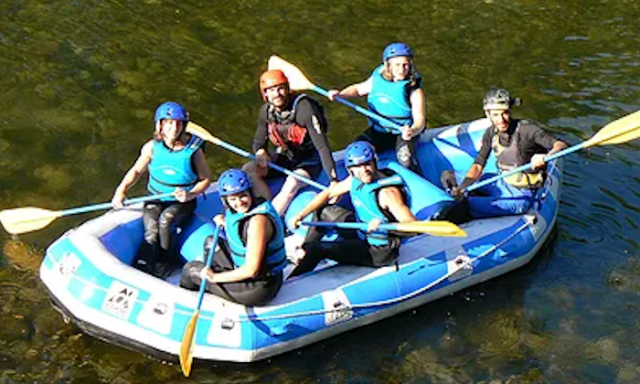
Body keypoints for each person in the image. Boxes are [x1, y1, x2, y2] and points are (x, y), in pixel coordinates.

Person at [288, 141, 417, 277]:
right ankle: (305, 250)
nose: (364, 170)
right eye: (358, 167)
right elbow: (328, 193)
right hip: (360, 230)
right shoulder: (354, 180)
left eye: (367, 164)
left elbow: (412, 226)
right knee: (323, 211)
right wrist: (301, 215)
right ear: (351, 170)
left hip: (378, 249)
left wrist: (385, 226)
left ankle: (292, 281)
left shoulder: (387, 193)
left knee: (319, 249)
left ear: (374, 163)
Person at [112, 101, 211, 276]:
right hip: (156, 196)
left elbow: (205, 180)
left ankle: (165, 261)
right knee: (151, 230)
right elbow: (136, 171)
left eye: (179, 123)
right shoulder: (151, 147)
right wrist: (121, 190)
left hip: (182, 201)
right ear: (160, 125)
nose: (174, 128)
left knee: (166, 221)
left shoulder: (194, 150)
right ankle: (144, 262)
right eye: (169, 123)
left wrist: (190, 194)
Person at [447, 88, 568, 218]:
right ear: (488, 114)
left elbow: (560, 144)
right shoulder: (490, 133)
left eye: (504, 113)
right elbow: (478, 164)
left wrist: (546, 156)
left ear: (509, 111)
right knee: (448, 176)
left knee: (463, 206)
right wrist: (463, 186)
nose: (501, 120)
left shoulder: (527, 130)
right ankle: (472, 197)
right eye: (495, 115)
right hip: (501, 182)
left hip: (522, 195)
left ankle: (472, 203)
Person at [180, 169, 286, 306]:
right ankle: (213, 289)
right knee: (211, 241)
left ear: (250, 193)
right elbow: (241, 226)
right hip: (245, 270)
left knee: (191, 270)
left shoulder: (258, 222)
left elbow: (251, 269)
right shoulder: (244, 211)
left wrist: (214, 277)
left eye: (243, 196)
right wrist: (226, 222)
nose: (239, 202)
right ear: (226, 200)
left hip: (259, 286)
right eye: (233, 199)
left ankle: (188, 304)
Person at [243, 69, 338, 215]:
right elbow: (258, 141)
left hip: (309, 161)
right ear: (265, 94)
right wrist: (260, 151)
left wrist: (334, 181)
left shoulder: (305, 108)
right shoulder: (266, 111)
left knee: (292, 183)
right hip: (286, 156)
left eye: (280, 89)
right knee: (249, 169)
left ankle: (270, 220)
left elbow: (322, 147)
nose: (277, 94)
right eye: (271, 90)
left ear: (287, 89)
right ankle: (264, 204)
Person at [327, 42, 426, 174]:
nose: (402, 69)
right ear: (388, 65)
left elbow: (420, 120)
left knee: (405, 159)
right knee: (356, 150)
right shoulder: (377, 79)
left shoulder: (413, 90)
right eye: (397, 65)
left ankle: (415, 180)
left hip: (402, 133)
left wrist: (412, 131)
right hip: (379, 130)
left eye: (405, 64)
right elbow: (358, 89)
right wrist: (341, 94)